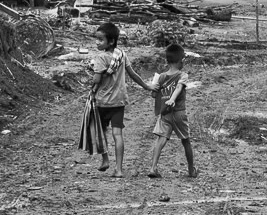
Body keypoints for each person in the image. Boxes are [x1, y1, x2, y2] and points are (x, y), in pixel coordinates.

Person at [83, 22, 146, 176]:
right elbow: (133, 74)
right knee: (117, 134)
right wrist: (147, 86)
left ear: (111, 41)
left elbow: (97, 79)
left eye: (100, 40)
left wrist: (92, 83)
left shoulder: (100, 58)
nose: (97, 42)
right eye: (96, 39)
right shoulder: (121, 55)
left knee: (101, 132)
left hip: (102, 102)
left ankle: (105, 160)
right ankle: (118, 169)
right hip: (119, 101)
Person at [144, 42, 198, 179]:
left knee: (161, 139)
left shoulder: (161, 77)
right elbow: (179, 87)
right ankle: (191, 170)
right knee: (186, 140)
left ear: (167, 61)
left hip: (165, 113)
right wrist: (173, 99)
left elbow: (154, 94)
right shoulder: (182, 75)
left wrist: (156, 89)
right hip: (179, 113)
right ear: (181, 61)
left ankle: (153, 167)